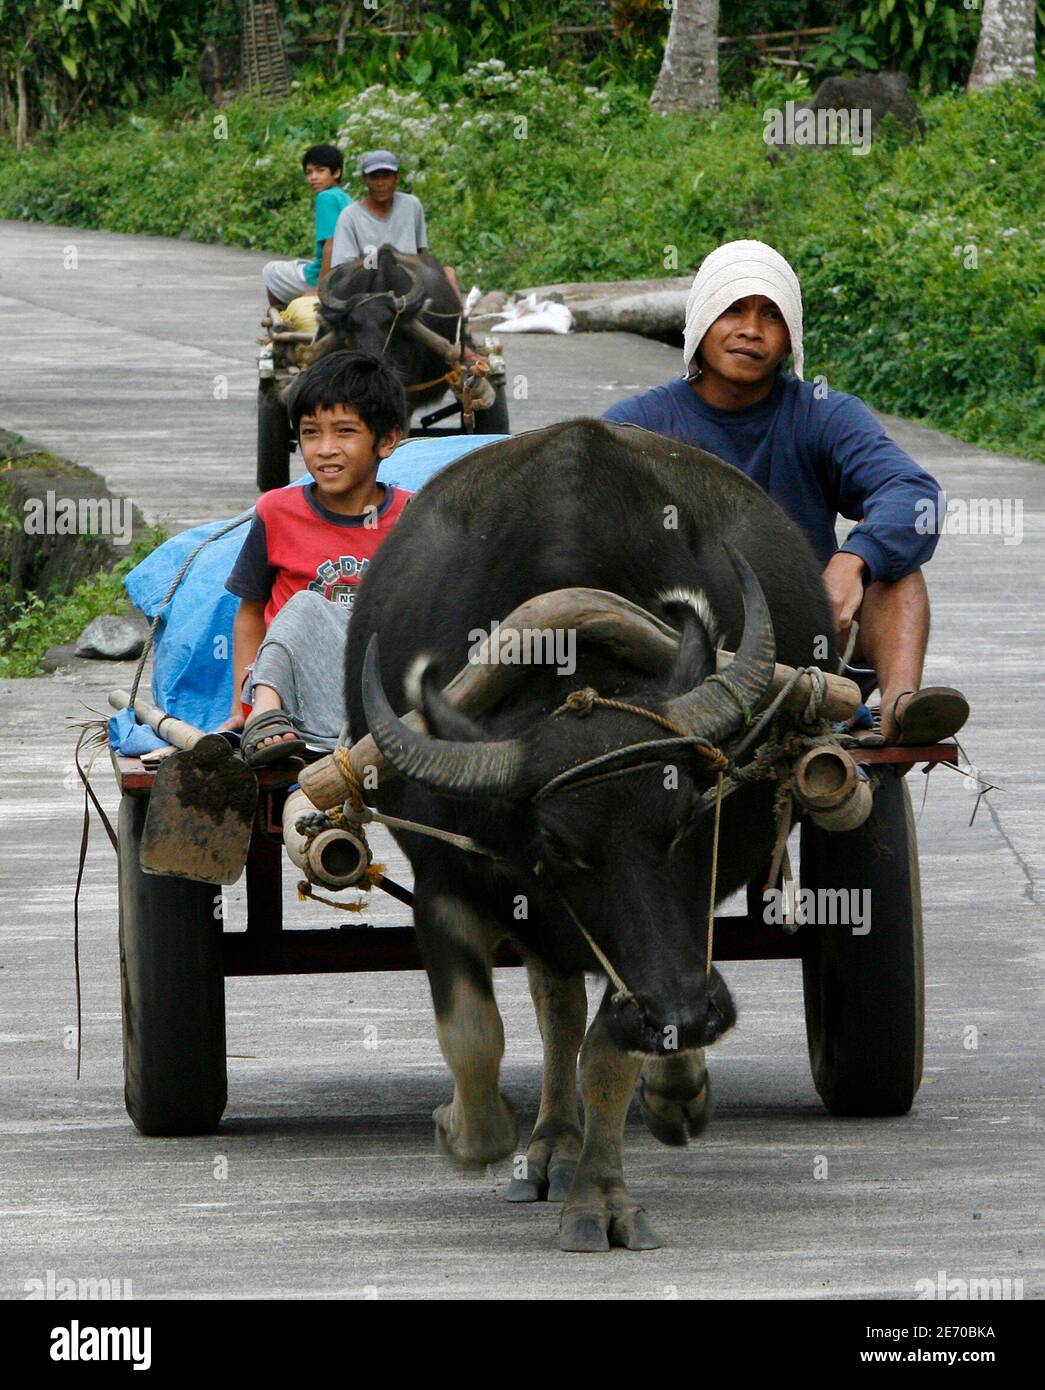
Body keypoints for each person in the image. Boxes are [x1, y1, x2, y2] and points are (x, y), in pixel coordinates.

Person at [602, 239, 968, 746]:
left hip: (808, 636)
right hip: (684, 645)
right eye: (734, 309)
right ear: (702, 318)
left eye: (771, 314)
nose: (752, 329)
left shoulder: (822, 412)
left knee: (896, 566)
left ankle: (901, 710)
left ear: (790, 334)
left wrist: (854, 561)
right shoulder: (638, 425)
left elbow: (912, 493)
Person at [223, 351, 411, 763]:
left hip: (371, 701)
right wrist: (244, 707)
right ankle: (266, 716)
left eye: (345, 432)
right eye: (311, 433)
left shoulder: (413, 520)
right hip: (286, 706)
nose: (325, 449)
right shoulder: (276, 512)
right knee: (304, 607)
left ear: (388, 439)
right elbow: (251, 613)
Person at [330, 149, 463, 299]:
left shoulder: (412, 205)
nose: (380, 184)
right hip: (368, 283)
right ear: (365, 180)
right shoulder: (350, 216)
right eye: (374, 177)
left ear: (397, 178)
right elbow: (343, 270)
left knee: (447, 274)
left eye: (386, 176)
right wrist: (382, 261)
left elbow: (420, 253)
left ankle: (461, 317)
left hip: (410, 277)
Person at [261, 144, 352, 309]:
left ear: (336, 173)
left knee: (271, 270)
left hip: (332, 277)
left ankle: (282, 322)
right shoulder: (345, 197)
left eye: (320, 170)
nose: (313, 177)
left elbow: (331, 245)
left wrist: (320, 290)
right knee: (297, 265)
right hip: (348, 273)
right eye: (309, 172)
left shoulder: (326, 197)